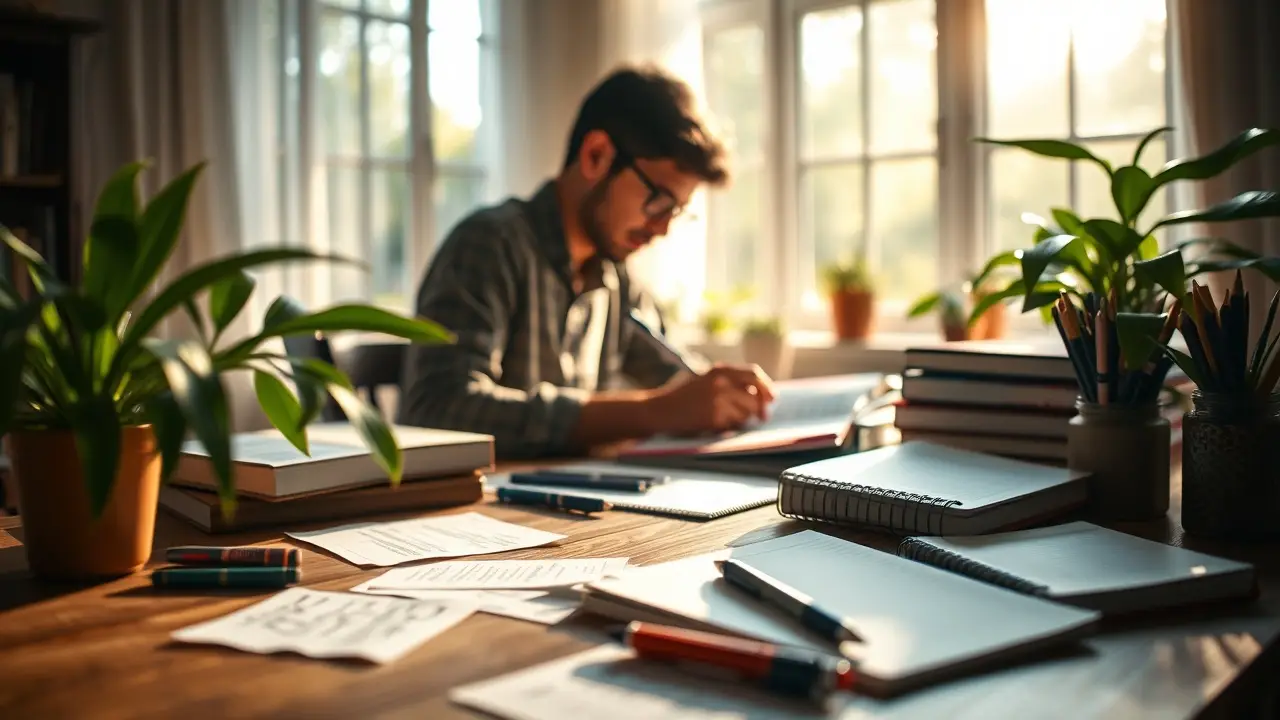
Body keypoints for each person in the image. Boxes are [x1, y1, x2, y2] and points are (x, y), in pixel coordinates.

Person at [398, 65, 775, 459]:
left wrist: (724, 397)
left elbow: (680, 379)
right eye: (659, 200)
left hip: (581, 507)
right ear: (596, 156)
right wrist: (653, 412)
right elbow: (437, 408)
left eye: (676, 211)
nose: (663, 228)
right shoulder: (491, 244)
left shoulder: (614, 279)